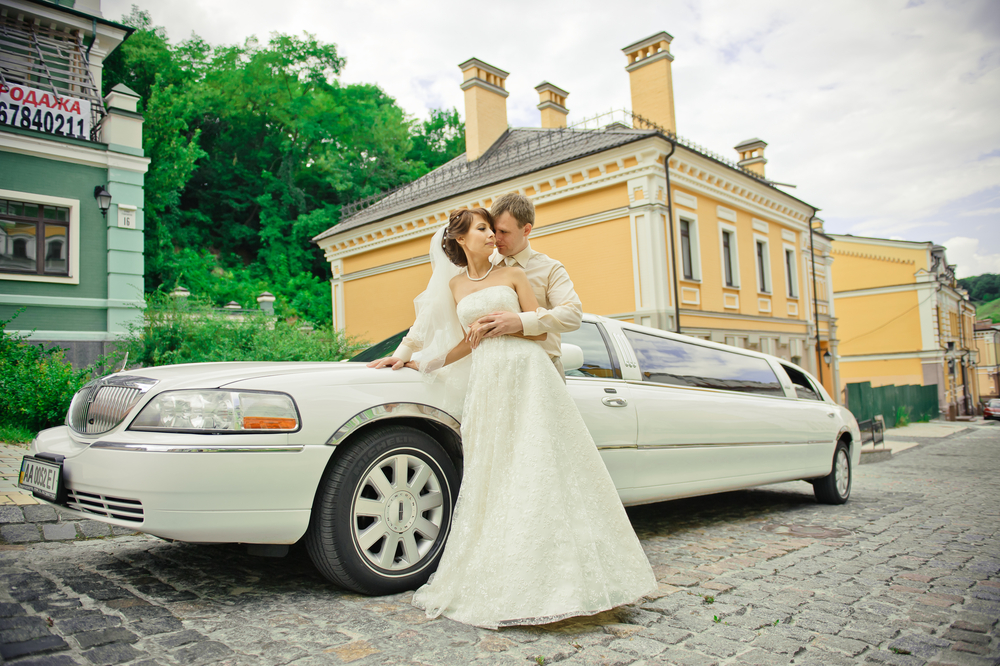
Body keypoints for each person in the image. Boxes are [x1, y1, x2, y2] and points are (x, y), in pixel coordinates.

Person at [403, 207, 656, 629]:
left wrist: (513, 323)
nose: (492, 236)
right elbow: (454, 336)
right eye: (484, 229)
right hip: (488, 384)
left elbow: (542, 327)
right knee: (495, 473)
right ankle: (506, 574)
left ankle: (572, 583)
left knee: (542, 467)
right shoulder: (453, 285)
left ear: (521, 231)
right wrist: (418, 361)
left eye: (495, 229)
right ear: (461, 240)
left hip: (530, 374)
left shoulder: (518, 275)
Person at [368, 193, 582, 378]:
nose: (495, 238)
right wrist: (401, 355)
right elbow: (430, 315)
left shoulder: (549, 268)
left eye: (503, 232)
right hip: (489, 373)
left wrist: (518, 321)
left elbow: (572, 314)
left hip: (543, 368)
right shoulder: (476, 264)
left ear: (526, 230)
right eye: (490, 229)